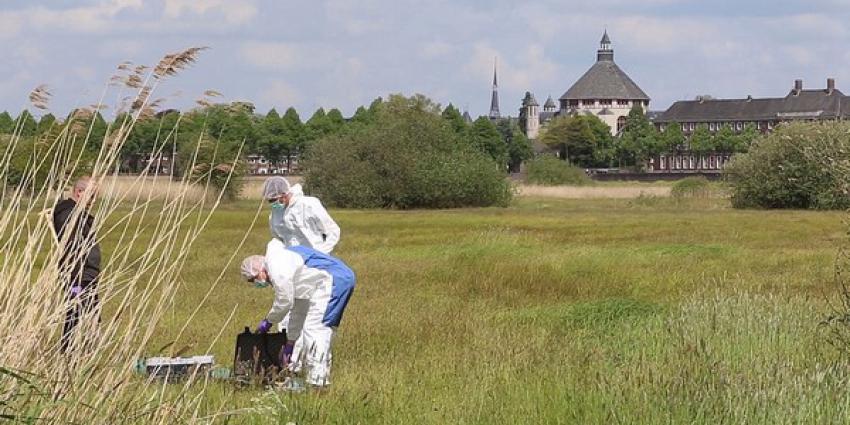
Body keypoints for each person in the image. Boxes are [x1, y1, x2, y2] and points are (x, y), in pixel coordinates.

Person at [240, 239, 355, 389]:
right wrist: (291, 342)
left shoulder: (277, 266)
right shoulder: (286, 267)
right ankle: (310, 376)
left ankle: (318, 383)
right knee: (311, 327)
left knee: (316, 329)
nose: (256, 284)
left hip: (334, 281)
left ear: (258, 271)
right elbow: (298, 308)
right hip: (327, 283)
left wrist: (268, 322)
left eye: (253, 280)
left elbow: (284, 302)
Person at [52, 176, 101, 353]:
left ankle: (84, 352)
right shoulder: (67, 215)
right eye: (92, 196)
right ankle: (69, 354)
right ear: (80, 192)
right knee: (76, 314)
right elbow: (72, 247)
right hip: (77, 276)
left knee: (89, 315)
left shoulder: (76, 213)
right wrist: (79, 277)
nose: (94, 201)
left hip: (86, 274)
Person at [263, 176, 340, 254]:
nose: (273, 204)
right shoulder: (274, 215)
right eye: (270, 201)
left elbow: (333, 231)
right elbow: (278, 239)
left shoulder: (309, 204)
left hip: (316, 257)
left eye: (274, 200)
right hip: (292, 260)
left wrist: (321, 254)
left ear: (284, 194)